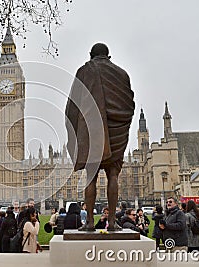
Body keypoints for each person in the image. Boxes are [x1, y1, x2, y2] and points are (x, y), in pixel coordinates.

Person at [65, 43, 135, 230]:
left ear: (91, 55)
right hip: (117, 132)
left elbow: (72, 104)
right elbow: (129, 104)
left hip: (93, 132)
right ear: (108, 56)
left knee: (91, 176)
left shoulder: (84, 71)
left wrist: (74, 129)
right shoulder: (122, 74)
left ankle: (89, 223)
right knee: (113, 175)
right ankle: (112, 223)